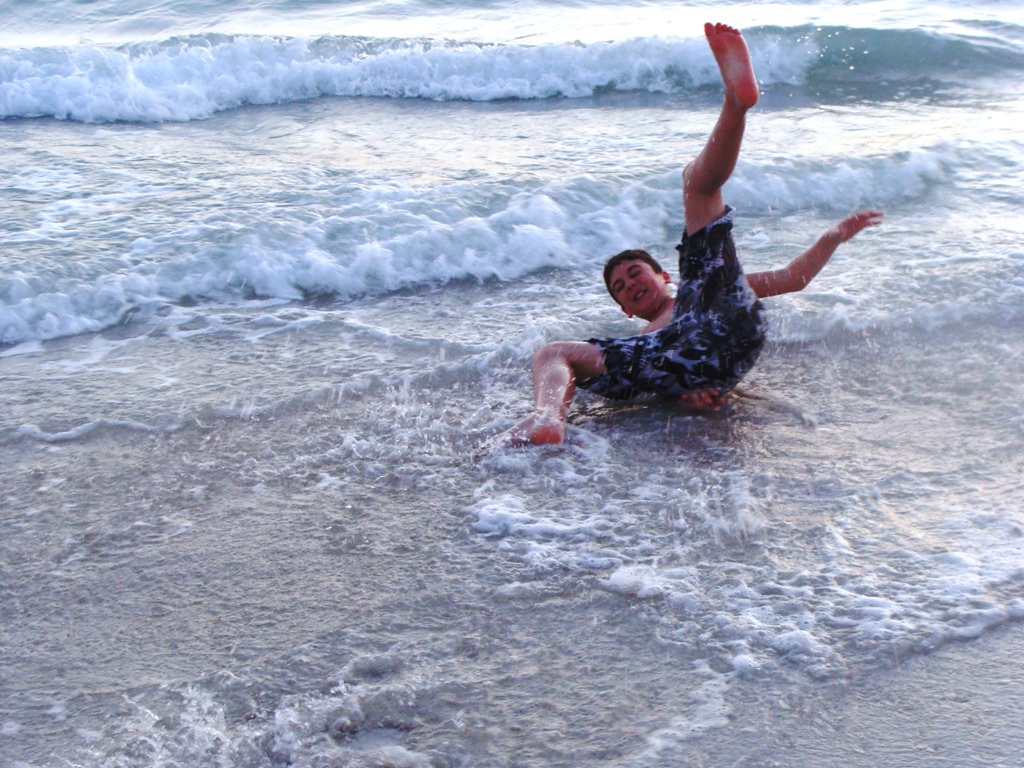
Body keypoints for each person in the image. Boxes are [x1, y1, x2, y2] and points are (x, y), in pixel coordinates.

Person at [488, 22, 883, 449]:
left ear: (664, 277)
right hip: (693, 363)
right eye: (620, 288)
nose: (630, 284)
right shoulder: (642, 345)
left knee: (698, 187)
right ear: (625, 310)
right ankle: (548, 419)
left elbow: (793, 278)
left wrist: (831, 237)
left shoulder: (699, 292)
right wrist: (684, 392)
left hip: (722, 324)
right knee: (556, 352)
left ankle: (736, 104)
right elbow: (652, 383)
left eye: (635, 273)